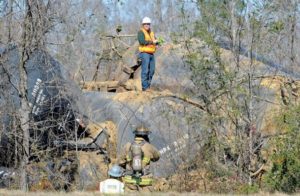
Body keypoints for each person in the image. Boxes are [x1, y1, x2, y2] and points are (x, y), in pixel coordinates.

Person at [119, 126, 160, 192]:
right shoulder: (149, 147)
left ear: (135, 135)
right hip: (145, 183)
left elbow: (120, 162)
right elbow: (157, 157)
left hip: (130, 182)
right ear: (146, 136)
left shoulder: (128, 146)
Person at [138, 17, 158, 91]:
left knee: (152, 71)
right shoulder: (141, 32)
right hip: (144, 53)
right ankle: (145, 88)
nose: (146, 25)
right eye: (145, 24)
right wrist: (152, 42)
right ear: (143, 25)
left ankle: (148, 86)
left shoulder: (152, 33)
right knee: (145, 71)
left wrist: (158, 43)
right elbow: (142, 42)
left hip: (151, 54)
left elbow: (156, 41)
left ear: (150, 25)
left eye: (148, 24)